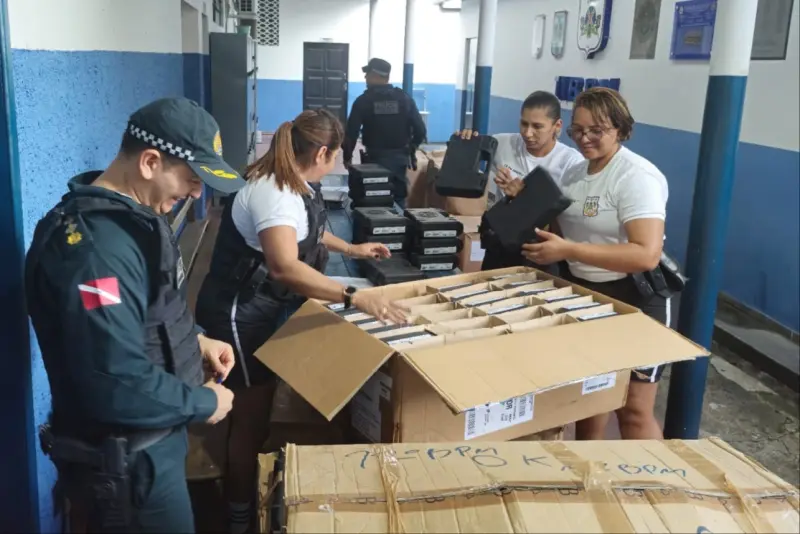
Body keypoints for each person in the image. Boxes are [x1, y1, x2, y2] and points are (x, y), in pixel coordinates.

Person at [25, 97, 242, 532]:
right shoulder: (95, 252)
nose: (196, 193)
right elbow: (114, 380)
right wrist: (205, 402)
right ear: (150, 162)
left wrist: (196, 340)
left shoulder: (132, 220)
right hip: (127, 472)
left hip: (151, 447)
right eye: (191, 178)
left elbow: (147, 309)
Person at [194, 108, 408, 534]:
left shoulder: (297, 184)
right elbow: (285, 266)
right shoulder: (274, 193)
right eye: (337, 156)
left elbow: (307, 230)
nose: (337, 163)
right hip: (240, 313)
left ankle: (245, 491)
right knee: (250, 416)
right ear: (323, 152)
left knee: (261, 404)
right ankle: (238, 514)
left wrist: (353, 249)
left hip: (265, 306)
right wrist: (353, 295)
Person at [521, 87, 670, 440]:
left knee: (632, 410)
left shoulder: (635, 176)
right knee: (590, 399)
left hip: (635, 297)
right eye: (578, 130)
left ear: (620, 129)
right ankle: (588, 467)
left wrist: (569, 250)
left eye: (596, 130)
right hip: (587, 294)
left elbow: (645, 254)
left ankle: (650, 474)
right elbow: (560, 228)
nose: (584, 138)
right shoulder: (575, 174)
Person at [457, 91, 584, 271]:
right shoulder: (502, 143)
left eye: (537, 126)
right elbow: (464, 164)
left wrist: (523, 198)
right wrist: (464, 142)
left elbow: (566, 220)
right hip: (498, 243)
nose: (528, 133)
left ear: (557, 126)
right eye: (524, 124)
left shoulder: (571, 163)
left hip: (539, 250)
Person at [342, 58, 427, 210]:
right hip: (399, 161)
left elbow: (351, 133)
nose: (365, 77)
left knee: (372, 200)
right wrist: (411, 149)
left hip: (373, 162)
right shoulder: (405, 99)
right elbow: (421, 130)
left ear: (375, 75)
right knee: (398, 200)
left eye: (368, 73)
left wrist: (347, 157)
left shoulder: (363, 101)